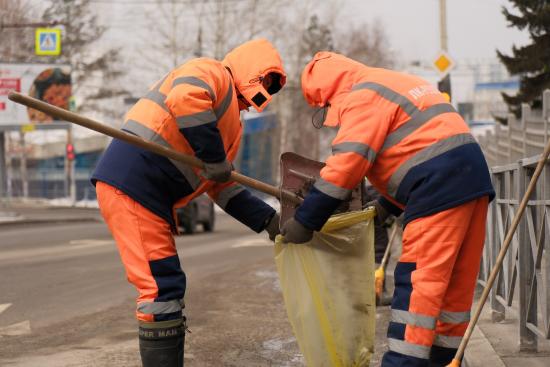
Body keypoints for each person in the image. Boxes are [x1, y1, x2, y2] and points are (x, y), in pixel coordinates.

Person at [281, 51, 494, 367]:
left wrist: (305, 220)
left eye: (324, 108)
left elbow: (347, 166)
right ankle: (446, 359)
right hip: (471, 182)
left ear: (328, 94)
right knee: (452, 290)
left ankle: (403, 363)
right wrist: (386, 205)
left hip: (437, 189)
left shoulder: (361, 96)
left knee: (419, 287)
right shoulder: (393, 82)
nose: (328, 114)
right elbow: (413, 149)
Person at [91, 39, 285, 367]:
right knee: (159, 290)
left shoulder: (231, 123)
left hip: (148, 194)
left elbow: (222, 187)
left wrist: (270, 221)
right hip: (134, 184)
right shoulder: (212, 73)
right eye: (264, 82)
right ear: (253, 71)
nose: (262, 94)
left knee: (167, 287)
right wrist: (213, 156)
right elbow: (185, 98)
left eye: (270, 88)